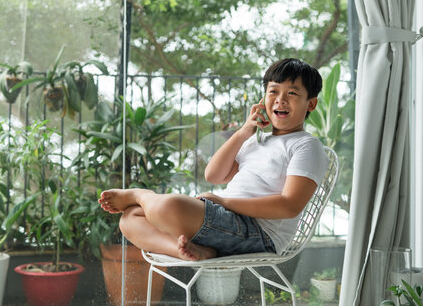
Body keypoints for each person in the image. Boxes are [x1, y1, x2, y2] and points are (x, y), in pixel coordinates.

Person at [98, 58, 329, 261]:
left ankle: (141, 193)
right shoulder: (254, 141)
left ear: (311, 103)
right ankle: (188, 251)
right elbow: (214, 175)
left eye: (292, 93)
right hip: (226, 220)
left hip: (258, 233)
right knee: (129, 218)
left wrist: (223, 202)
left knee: (168, 206)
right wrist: (243, 132)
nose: (280, 100)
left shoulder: (306, 145)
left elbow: (290, 206)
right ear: (263, 98)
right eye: (273, 91)